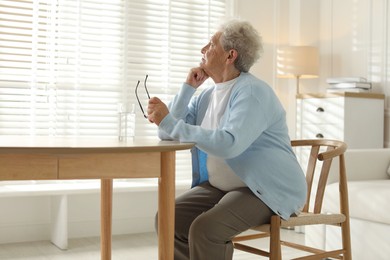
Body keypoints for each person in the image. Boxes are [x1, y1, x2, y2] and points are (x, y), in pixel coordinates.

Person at [147, 20, 307, 260]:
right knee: (169, 218)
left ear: (230, 55)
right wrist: (188, 88)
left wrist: (168, 121)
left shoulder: (253, 92)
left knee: (206, 229)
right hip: (223, 187)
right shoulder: (207, 96)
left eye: (211, 45)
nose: (203, 49)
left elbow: (229, 143)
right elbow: (167, 132)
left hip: (263, 188)